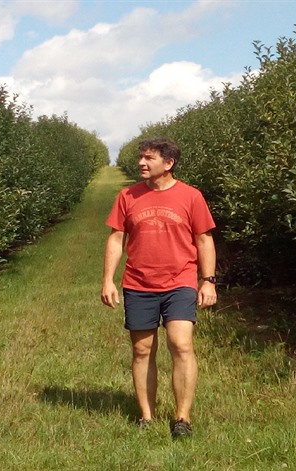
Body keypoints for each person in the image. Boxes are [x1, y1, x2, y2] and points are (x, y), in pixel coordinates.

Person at [101, 137, 217, 438]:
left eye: (148, 158)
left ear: (169, 163)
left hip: (180, 281)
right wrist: (107, 280)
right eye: (141, 157)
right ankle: (147, 417)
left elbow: (204, 240)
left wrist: (208, 280)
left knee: (181, 344)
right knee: (142, 350)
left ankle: (182, 418)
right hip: (138, 283)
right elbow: (116, 239)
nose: (141, 162)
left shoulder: (191, 196)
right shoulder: (128, 196)